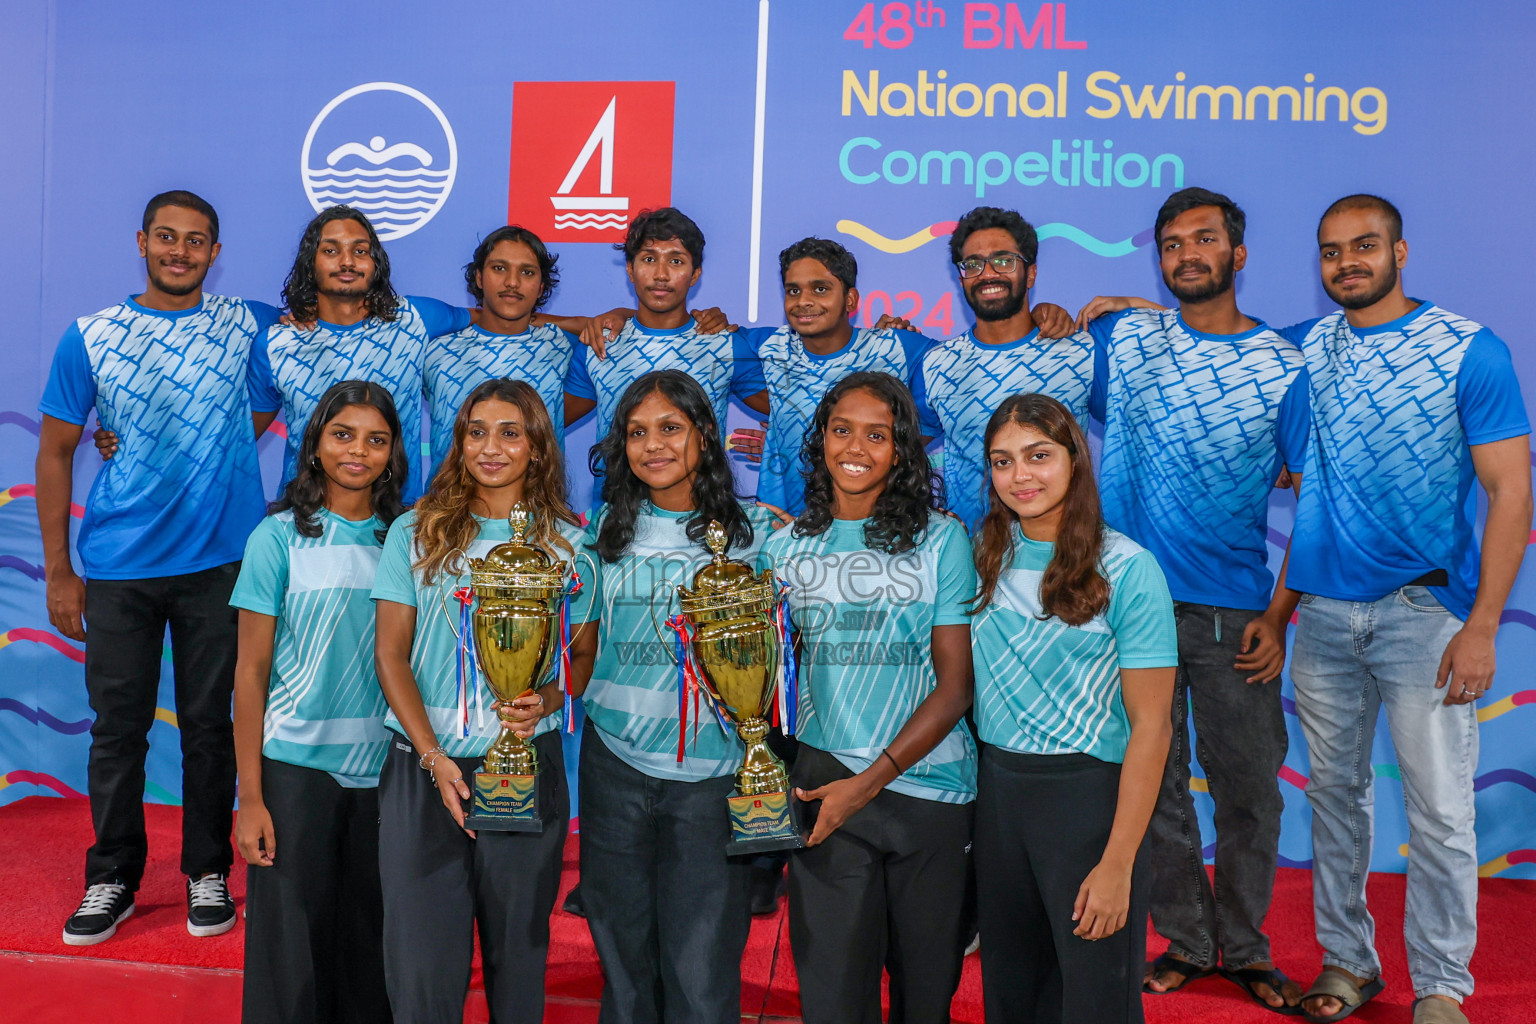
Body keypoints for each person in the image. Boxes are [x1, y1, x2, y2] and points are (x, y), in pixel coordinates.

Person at [1278, 196, 1531, 1024]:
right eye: (1331, 251)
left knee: (1442, 812)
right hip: (1321, 621)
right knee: (1334, 804)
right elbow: (1224, 333)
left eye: (1364, 247)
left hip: (1426, 617)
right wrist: (1122, 308)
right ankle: (1349, 965)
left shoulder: (1469, 350)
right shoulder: (1308, 351)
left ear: (1400, 251)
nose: (1347, 262)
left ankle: (1441, 987)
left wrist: (1484, 626)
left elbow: (1510, 492)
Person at [1074, 187, 1308, 1011]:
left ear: (1237, 255)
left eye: (1203, 241)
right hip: (1131, 611)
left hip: (1235, 615)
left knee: (1249, 788)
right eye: (1172, 244)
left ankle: (1244, 947)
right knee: (1156, 786)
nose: (1186, 256)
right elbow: (1037, 355)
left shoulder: (1285, 366)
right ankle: (1186, 940)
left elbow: (1312, 497)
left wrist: (1279, 615)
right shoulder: (1127, 337)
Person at [37, 190, 279, 945]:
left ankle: (208, 871)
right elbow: (53, 452)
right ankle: (111, 876)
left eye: (197, 240)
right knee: (119, 730)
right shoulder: (91, 336)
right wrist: (58, 571)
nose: (181, 251)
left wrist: (220, 444)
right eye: (167, 237)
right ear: (141, 241)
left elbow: (280, 394)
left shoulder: (249, 324)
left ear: (215, 252)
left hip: (219, 565)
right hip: (117, 567)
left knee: (212, 726)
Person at [564, 369, 783, 1024]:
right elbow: (581, 648)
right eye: (637, 432)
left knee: (700, 972)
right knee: (624, 964)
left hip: (712, 781)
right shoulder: (599, 532)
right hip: (614, 770)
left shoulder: (758, 535)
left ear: (705, 435)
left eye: (670, 428)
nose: (653, 445)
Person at [761, 371, 976, 1024]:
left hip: (929, 790)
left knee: (925, 998)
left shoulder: (943, 539)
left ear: (902, 449)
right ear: (821, 438)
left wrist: (871, 780)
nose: (855, 446)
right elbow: (774, 684)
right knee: (832, 998)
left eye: (877, 434)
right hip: (825, 791)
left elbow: (957, 687)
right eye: (842, 429)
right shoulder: (784, 549)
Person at [372, 379, 589, 1023]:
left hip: (524, 765)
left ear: (538, 448)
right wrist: (434, 756)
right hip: (423, 766)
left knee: (517, 958)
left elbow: (584, 656)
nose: (491, 447)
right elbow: (390, 656)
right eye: (477, 431)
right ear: (458, 441)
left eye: (510, 432)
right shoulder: (415, 530)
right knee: (420, 965)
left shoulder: (568, 543)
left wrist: (545, 700)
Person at [969, 392, 1176, 1024]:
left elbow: (1152, 728)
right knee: (1012, 992)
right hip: (999, 797)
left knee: (1094, 1000)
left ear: (1076, 459)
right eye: (1002, 462)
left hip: (1087, 804)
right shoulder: (982, 554)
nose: (1020, 475)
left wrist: (1117, 862)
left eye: (1038, 456)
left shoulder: (1129, 568)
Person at [231, 380, 406, 1024]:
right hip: (295, 771)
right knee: (290, 962)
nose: (358, 451)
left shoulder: (408, 540)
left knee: (371, 951)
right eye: (343, 434)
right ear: (314, 444)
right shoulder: (276, 538)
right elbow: (249, 673)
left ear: (393, 452)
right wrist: (250, 797)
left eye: (376, 439)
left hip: (387, 774)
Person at [252, 205, 472, 501]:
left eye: (359, 251)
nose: (347, 262)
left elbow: (499, 315)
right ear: (310, 264)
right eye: (331, 251)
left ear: (376, 262)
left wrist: (556, 321)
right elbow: (243, 436)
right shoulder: (276, 344)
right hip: (305, 521)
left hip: (395, 523)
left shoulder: (415, 318)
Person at [913, 206, 1095, 531]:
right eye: (973, 264)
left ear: (1032, 273)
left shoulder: (1081, 351)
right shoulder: (936, 363)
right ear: (961, 277)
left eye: (1003, 260)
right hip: (971, 563)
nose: (988, 273)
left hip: (1065, 558)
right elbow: (898, 451)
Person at [565, 208, 767, 450]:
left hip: (704, 489)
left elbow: (801, 414)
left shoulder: (725, 345)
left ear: (695, 275)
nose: (661, 274)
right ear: (630, 269)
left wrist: (785, 446)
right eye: (649, 259)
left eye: (676, 261)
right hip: (615, 489)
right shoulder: (598, 345)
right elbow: (541, 428)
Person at [424, 226, 582, 478]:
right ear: (478, 277)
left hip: (537, 510)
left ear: (541, 287)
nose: (512, 282)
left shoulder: (561, 344)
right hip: (448, 509)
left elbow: (632, 327)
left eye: (527, 272)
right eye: (499, 268)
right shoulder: (436, 349)